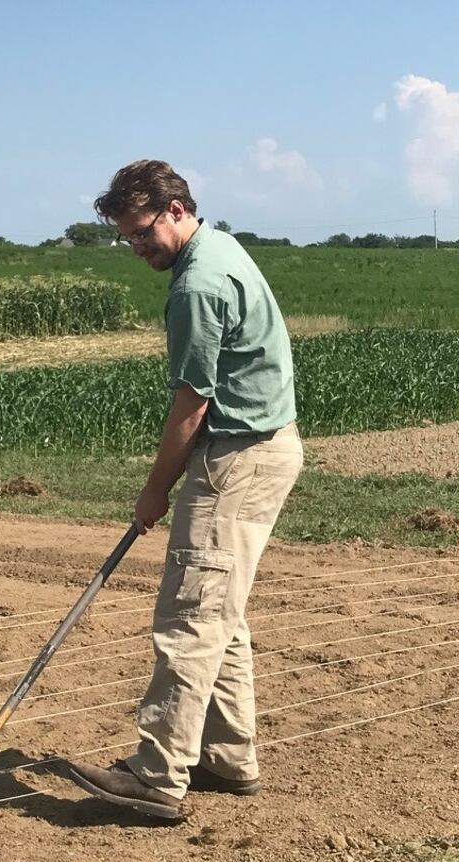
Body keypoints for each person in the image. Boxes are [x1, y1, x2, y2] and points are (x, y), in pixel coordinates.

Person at [64, 159, 301, 822]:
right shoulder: (221, 245)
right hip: (260, 449)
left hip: (235, 459)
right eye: (128, 240)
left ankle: (157, 775)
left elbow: (191, 406)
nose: (139, 249)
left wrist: (153, 492)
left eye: (143, 233)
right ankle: (227, 758)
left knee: (190, 616)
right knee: (220, 611)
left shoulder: (197, 285)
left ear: (175, 208)